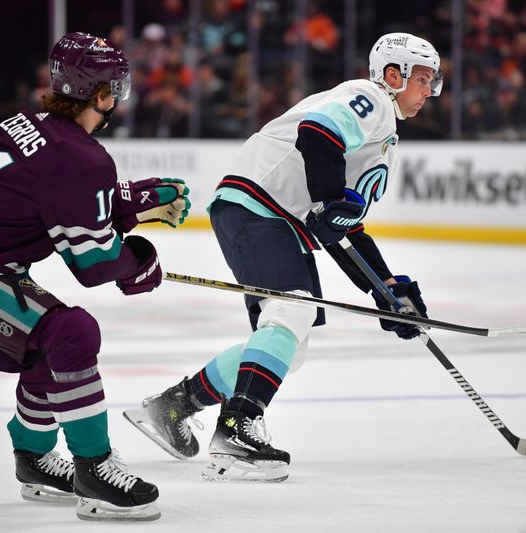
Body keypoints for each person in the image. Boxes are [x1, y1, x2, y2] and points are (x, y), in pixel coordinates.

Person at [125, 32, 441, 482]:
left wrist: (385, 288)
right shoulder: (368, 96)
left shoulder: (384, 136)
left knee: (288, 347)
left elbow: (340, 227)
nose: (430, 91)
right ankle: (236, 432)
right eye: (424, 79)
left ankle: (173, 407)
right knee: (293, 308)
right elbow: (318, 135)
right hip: (258, 206)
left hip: (274, 219)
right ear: (394, 76)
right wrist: (328, 201)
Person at [0, 32, 190, 520]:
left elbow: (47, 190)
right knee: (73, 332)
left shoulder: (27, 122)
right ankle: (94, 468)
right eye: (115, 89)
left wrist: (129, 201)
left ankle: (34, 458)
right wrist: (139, 261)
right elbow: (95, 264)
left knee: (46, 345)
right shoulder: (84, 161)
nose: (117, 99)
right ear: (101, 95)